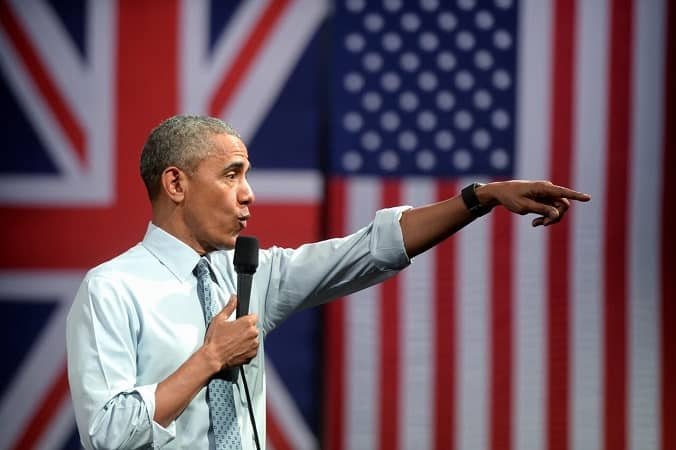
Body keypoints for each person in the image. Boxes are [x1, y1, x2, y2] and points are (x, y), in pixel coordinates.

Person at [66, 115, 590, 449]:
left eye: (246, 175)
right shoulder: (112, 289)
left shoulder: (251, 274)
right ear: (175, 183)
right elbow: (109, 435)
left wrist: (481, 198)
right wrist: (209, 359)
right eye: (231, 174)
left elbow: (369, 248)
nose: (247, 194)